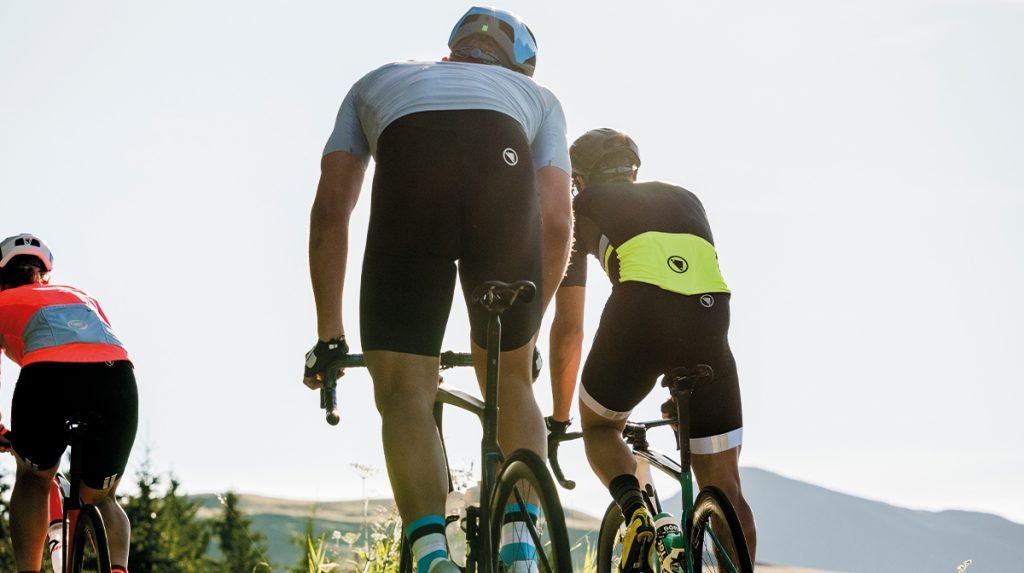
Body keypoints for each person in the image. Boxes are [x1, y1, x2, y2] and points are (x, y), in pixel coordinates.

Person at [302, 7, 572, 573]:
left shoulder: (377, 80)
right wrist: (530, 327)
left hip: (410, 172)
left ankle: (429, 553)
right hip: (499, 177)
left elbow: (331, 212)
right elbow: (554, 223)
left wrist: (330, 336)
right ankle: (520, 547)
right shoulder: (539, 99)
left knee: (403, 392)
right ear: (520, 64)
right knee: (511, 380)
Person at [546, 129, 756, 571]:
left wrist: (561, 418)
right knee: (725, 486)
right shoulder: (686, 198)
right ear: (632, 169)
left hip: (638, 313)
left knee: (602, 429)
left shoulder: (580, 206)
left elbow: (569, 328)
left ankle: (639, 515)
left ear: (579, 179)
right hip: (711, 320)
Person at [0, 233, 138, 573]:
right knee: (103, 497)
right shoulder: (80, 295)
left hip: (46, 377)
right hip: (117, 376)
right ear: (45, 275)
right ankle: (118, 569)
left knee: (34, 478)